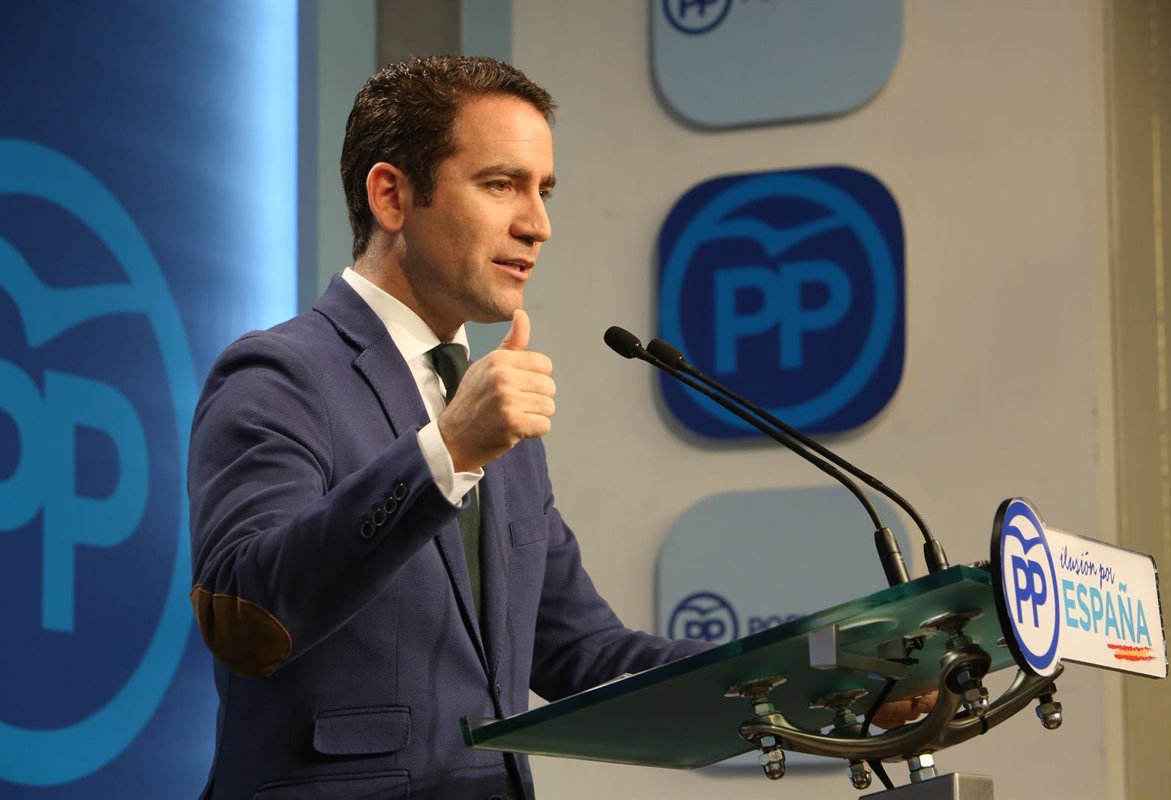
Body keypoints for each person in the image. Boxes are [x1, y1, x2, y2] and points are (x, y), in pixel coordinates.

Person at [188, 55, 931, 800]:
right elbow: (245, 618)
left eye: (543, 190)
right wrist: (447, 451)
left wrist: (821, 684)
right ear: (392, 195)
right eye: (500, 184)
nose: (537, 225)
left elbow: (585, 652)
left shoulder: (491, 409)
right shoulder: (280, 375)